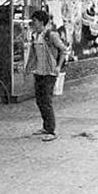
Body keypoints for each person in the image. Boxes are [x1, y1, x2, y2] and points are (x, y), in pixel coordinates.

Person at [25, 10, 67, 142]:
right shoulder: (35, 35)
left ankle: (51, 130)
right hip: (39, 71)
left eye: (35, 21)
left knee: (46, 101)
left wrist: (59, 66)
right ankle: (46, 126)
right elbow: (33, 53)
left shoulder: (51, 35)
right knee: (39, 100)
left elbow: (63, 49)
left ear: (41, 22)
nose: (33, 23)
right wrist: (28, 67)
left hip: (50, 72)